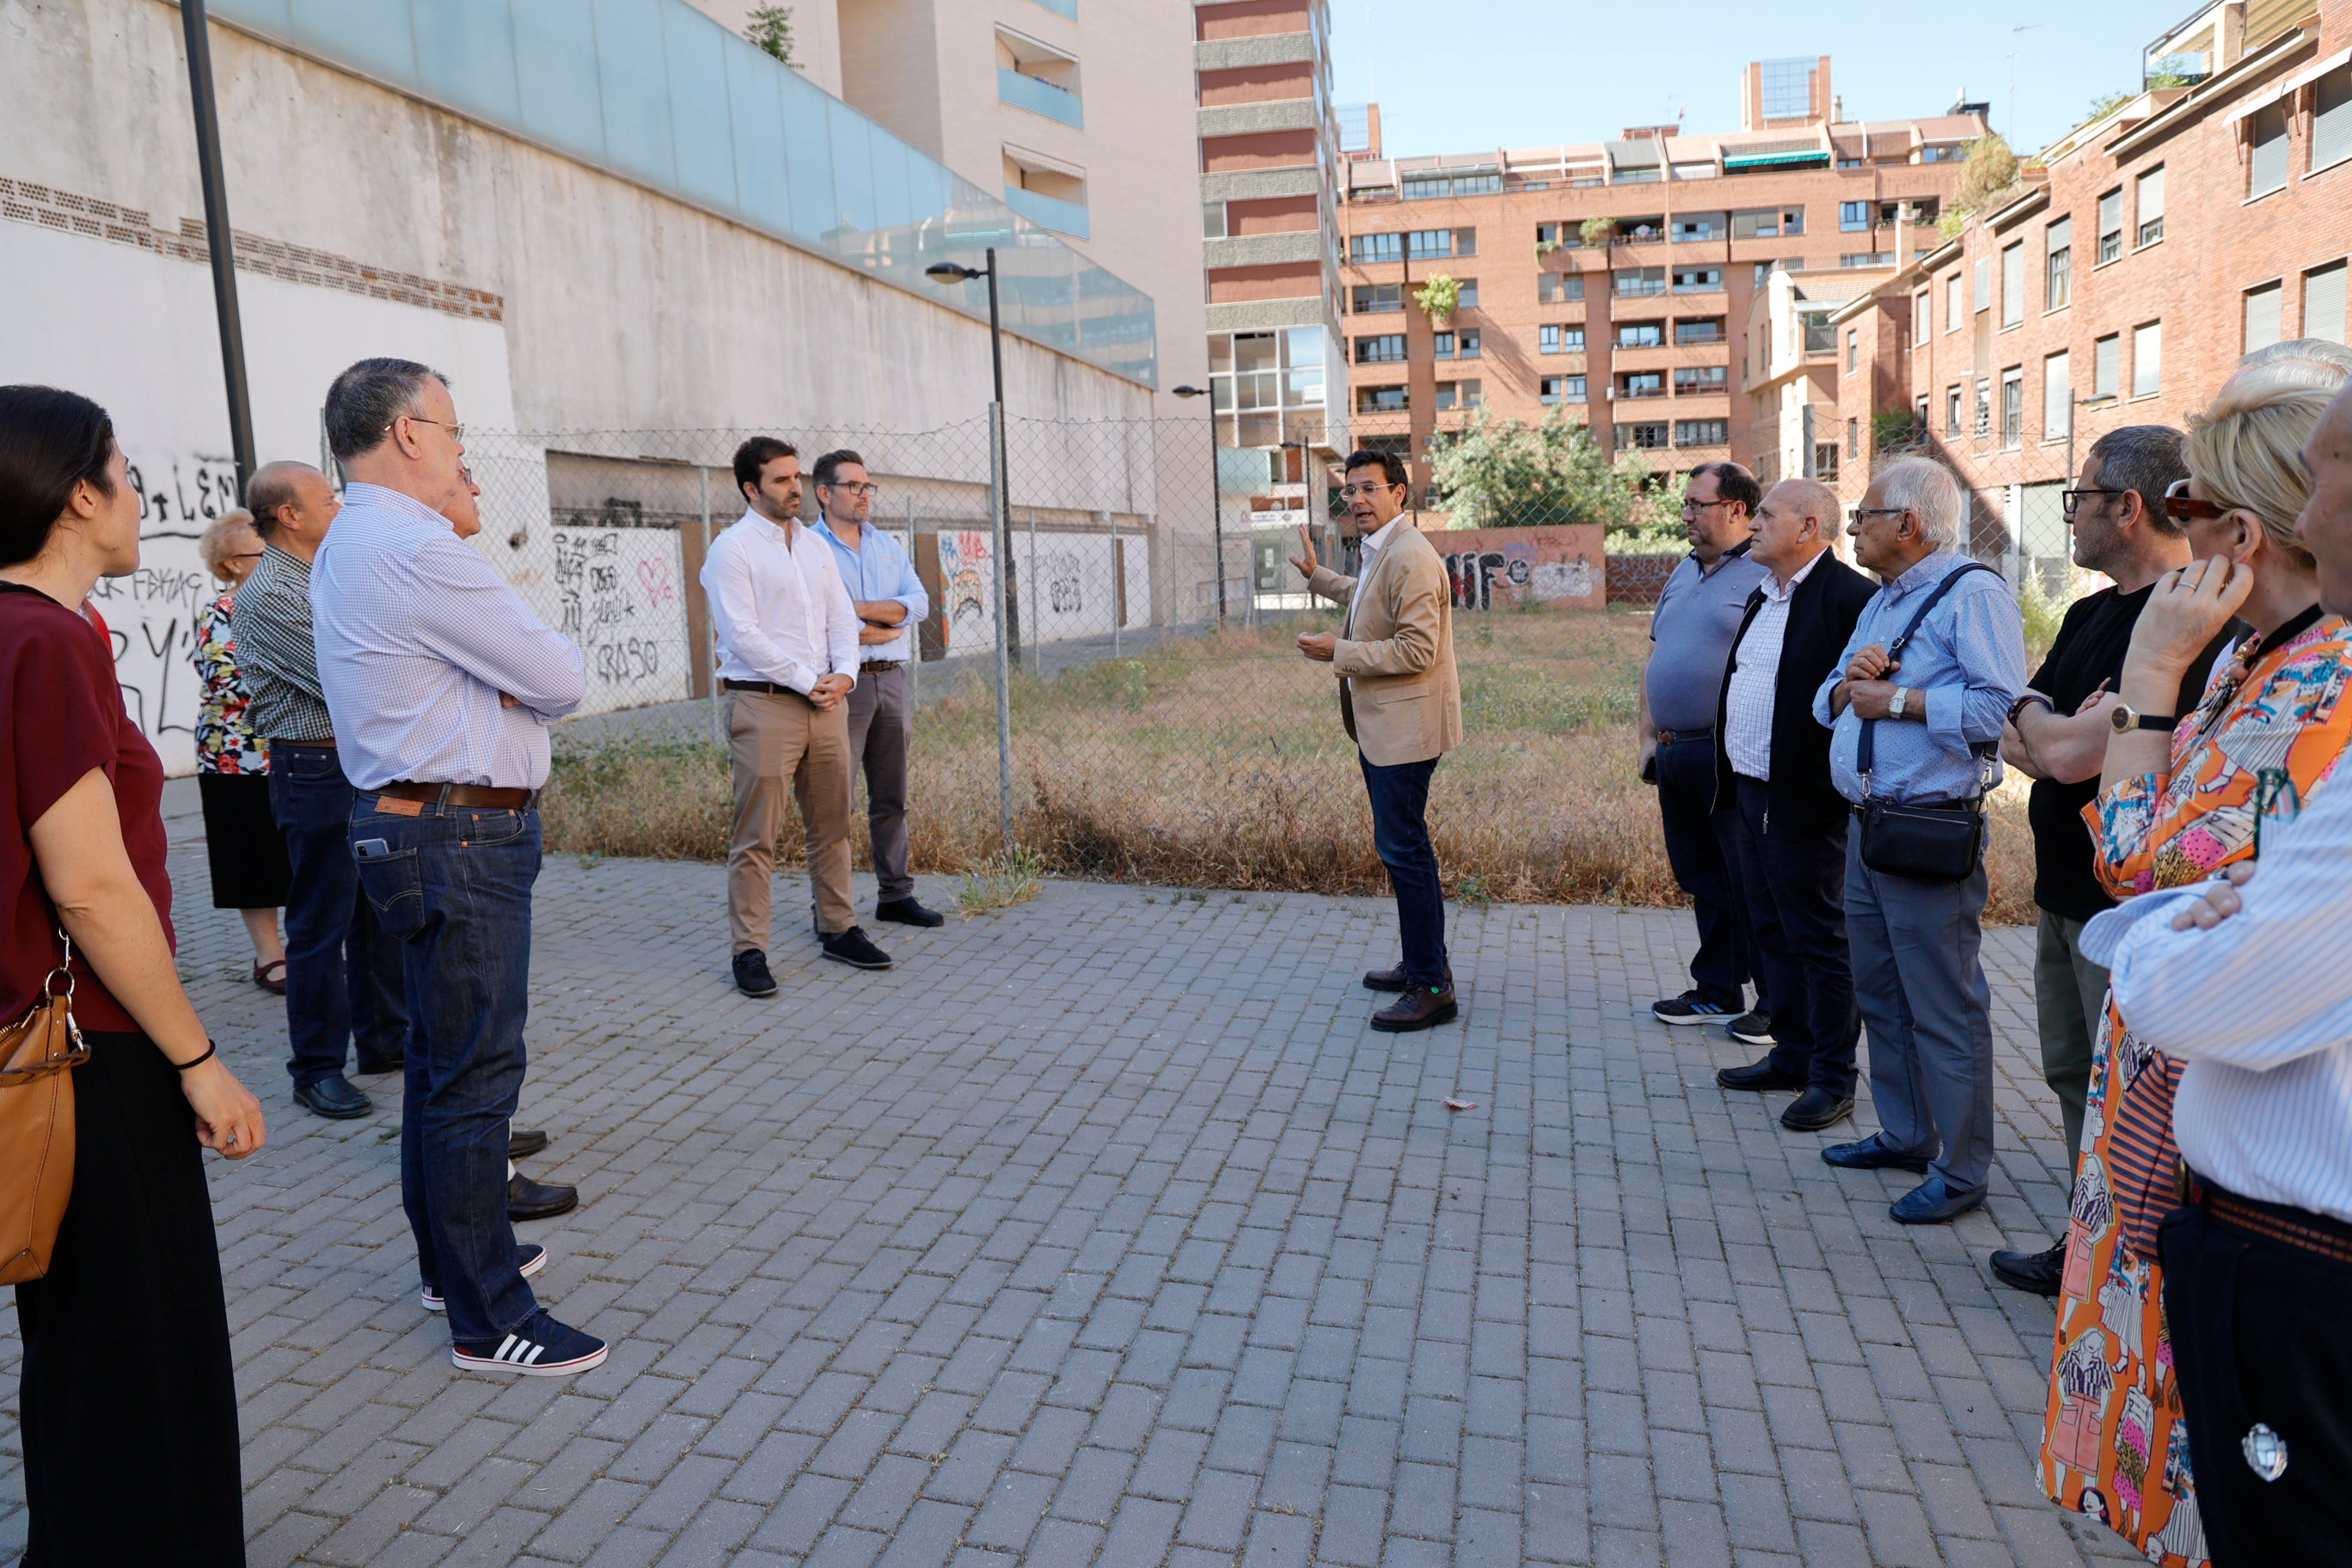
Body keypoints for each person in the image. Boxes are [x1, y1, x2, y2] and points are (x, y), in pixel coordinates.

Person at [2037, 364, 2349, 1562]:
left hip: (2235, 1109)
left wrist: (2150, 683)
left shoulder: (2325, 675)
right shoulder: (2251, 660)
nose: (2172, 538)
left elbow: (2129, 855)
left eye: (2187, 508)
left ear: (2238, 530)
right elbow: (2157, 864)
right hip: (2172, 1090)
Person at [2, 383, 267, 1564]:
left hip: (45, 1042)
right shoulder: (46, 642)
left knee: (81, 1346)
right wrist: (200, 1060)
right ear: (78, 495)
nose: (143, 496)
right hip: (94, 1053)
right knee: (140, 1352)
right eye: (126, 469)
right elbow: (92, 887)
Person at [310, 358, 605, 1375]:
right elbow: (559, 678)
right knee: (475, 1079)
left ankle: (451, 1263)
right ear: (406, 433)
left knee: (442, 1069)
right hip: (458, 838)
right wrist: (522, 683)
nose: (463, 449)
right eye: (454, 429)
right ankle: (490, 1316)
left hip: (423, 831)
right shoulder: (414, 546)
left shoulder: (359, 538)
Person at [1985, 426, 2215, 1297]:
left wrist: (2045, 732)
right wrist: (2050, 727)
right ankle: (2088, 1242)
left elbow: (2074, 758)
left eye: (2077, 499)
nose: (2069, 517)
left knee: (2122, 1096)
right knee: (2065, 1071)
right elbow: (2021, 731)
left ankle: (2128, 1263)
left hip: (2124, 909)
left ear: (2128, 506)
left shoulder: (2187, 620)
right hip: (2061, 895)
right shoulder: (2088, 614)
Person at [1814, 456, 2026, 1224]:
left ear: (1906, 525)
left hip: (1928, 831)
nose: (1855, 529)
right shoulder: (1881, 602)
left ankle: (1962, 1171)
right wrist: (1848, 686)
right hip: (1868, 829)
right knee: (1880, 993)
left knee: (1943, 1007)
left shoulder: (1973, 596)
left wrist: (1897, 700)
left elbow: (2002, 708)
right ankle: (1905, 1133)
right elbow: (1829, 701)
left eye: (1863, 517)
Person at [234, 459, 409, 1118]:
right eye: (328, 499)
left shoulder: (319, 573)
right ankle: (315, 1069)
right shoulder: (272, 594)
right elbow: (350, 672)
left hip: (355, 760)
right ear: (290, 515)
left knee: (375, 910)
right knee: (319, 922)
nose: (339, 508)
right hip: (314, 768)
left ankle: (385, 1040)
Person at [1710, 478, 1876, 1132]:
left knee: (1819, 937)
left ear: (1808, 528)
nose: (1753, 524)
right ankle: (1793, 1052)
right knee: (1770, 925)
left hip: (1805, 799)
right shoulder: (1765, 593)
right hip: (1750, 790)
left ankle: (1833, 1079)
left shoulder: (1849, 598)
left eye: (1767, 516)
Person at [704, 436, 891, 995]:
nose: (795, 488)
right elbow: (744, 635)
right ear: (750, 488)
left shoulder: (813, 547)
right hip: (763, 704)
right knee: (756, 837)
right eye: (781, 479)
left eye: (796, 477)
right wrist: (812, 681)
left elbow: (841, 619)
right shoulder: (732, 550)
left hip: (827, 703)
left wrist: (847, 676)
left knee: (833, 826)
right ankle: (750, 951)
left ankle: (839, 928)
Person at [1287, 448, 1464, 1032]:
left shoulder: (1410, 557)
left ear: (1399, 495)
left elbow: (1417, 649)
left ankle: (1432, 987)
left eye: (1369, 489)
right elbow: (1368, 601)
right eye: (1350, 491)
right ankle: (1423, 964)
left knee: (1406, 854)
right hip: (1387, 729)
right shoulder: (1387, 551)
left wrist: (1337, 653)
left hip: (1406, 733)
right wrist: (1318, 578)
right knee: (1403, 850)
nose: (1357, 500)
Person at [1640, 462, 1769, 1038]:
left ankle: (1775, 1003)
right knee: (1703, 875)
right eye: (1686, 506)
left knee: (1750, 878)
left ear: (1736, 509)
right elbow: (1656, 656)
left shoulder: (1765, 574)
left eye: (1698, 504)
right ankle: (1718, 991)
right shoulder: (1684, 572)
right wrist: (1646, 736)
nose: (1688, 516)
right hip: (1674, 751)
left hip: (1729, 755)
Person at [810, 448, 941, 929]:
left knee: (891, 797)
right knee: (835, 803)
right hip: (842, 687)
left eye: (868, 487)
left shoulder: (887, 545)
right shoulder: (807, 548)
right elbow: (819, 624)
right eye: (854, 486)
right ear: (825, 493)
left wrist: (857, 610)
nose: (865, 495)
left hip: (893, 681)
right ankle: (832, 908)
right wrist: (884, 620)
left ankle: (895, 895)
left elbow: (920, 604)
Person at [190, 505, 291, 995]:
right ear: (231, 563)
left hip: (289, 748)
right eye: (261, 552)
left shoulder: (287, 601)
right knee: (252, 854)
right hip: (235, 754)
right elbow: (225, 679)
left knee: (301, 850)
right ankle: (269, 954)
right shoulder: (221, 611)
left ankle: (313, 945)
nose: (273, 557)